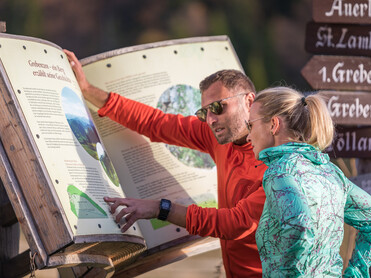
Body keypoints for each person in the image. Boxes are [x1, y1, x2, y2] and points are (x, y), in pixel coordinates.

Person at [64, 49, 267, 278]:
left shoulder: (275, 163)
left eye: (218, 108)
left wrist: (160, 208)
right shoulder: (219, 135)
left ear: (249, 101)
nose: (210, 119)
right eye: (204, 113)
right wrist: (89, 91)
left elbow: (232, 224)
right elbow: (156, 123)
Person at [246, 86, 371, 277]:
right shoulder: (331, 172)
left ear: (273, 124)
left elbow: (299, 224)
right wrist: (356, 273)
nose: (248, 136)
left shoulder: (279, 172)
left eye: (250, 126)